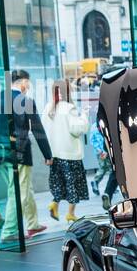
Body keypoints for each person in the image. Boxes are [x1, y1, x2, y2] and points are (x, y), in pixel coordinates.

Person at [0, 69, 52, 242]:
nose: (28, 86)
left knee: (24, 188)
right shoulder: (26, 101)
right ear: (23, 82)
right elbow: (38, 129)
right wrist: (47, 154)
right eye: (28, 83)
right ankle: (9, 231)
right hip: (19, 153)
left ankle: (33, 223)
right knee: (18, 191)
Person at [43, 79, 89, 224]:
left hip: (55, 154)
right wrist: (84, 116)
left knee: (59, 183)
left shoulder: (48, 108)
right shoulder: (69, 108)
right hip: (70, 154)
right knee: (73, 184)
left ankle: (54, 204)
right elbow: (77, 129)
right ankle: (70, 214)